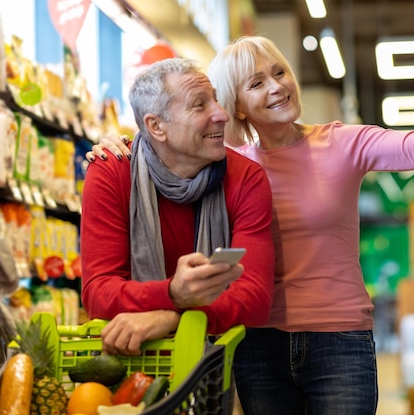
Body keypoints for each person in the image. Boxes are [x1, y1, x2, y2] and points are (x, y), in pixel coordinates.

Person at [86, 36, 414, 414]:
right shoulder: (228, 165)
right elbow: (165, 147)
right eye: (256, 83)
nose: (277, 86)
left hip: (339, 338)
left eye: (279, 72)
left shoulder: (341, 144)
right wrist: (123, 145)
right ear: (234, 104)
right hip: (258, 342)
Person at [80, 57, 275, 357]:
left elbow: (254, 297)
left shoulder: (246, 178)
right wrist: (173, 293)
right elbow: (98, 293)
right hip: (128, 360)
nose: (221, 115)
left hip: (214, 366)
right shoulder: (112, 172)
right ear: (156, 126)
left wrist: (172, 315)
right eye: (200, 105)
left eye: (215, 101)